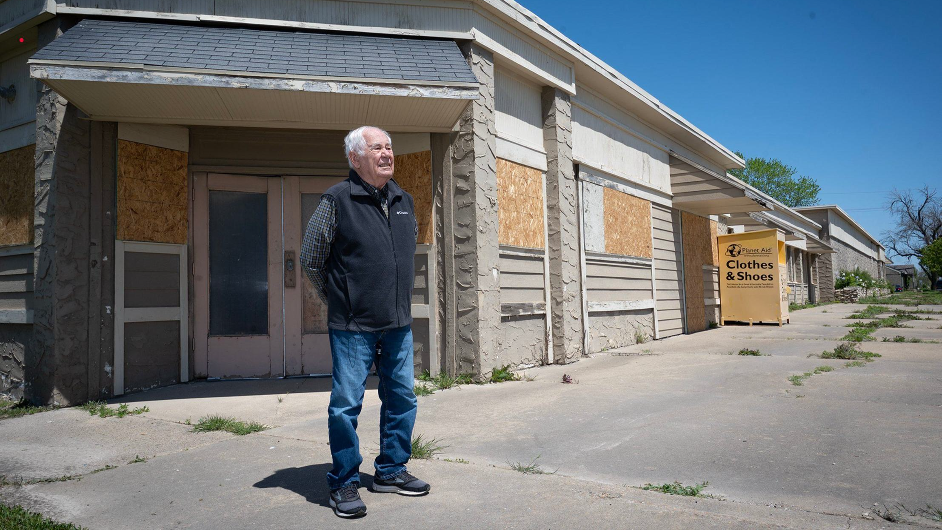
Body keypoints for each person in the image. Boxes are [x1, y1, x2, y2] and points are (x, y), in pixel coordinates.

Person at [301, 126, 429, 519]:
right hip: (352, 326)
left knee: (402, 398)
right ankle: (343, 481)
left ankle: (391, 469)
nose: (387, 153)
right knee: (345, 405)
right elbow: (311, 258)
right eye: (377, 148)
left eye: (389, 147)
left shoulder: (404, 199)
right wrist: (340, 299)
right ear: (355, 158)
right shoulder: (337, 199)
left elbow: (405, 250)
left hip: (397, 323)